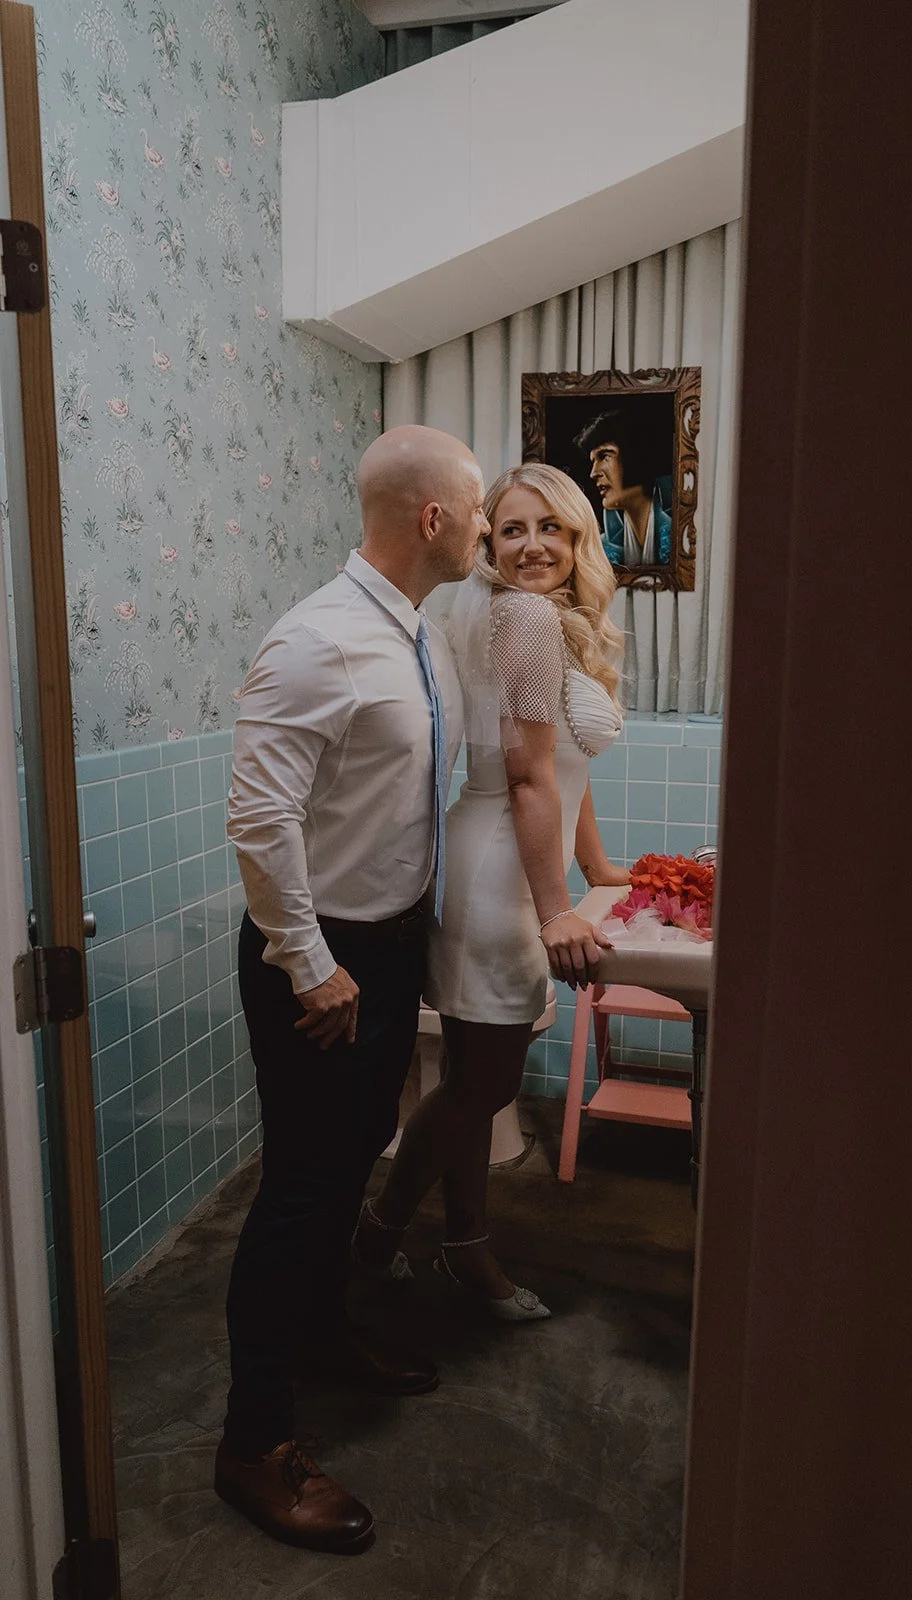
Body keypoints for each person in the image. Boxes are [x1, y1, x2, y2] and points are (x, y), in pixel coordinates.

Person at [215, 424, 489, 1555]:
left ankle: (323, 1331)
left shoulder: (414, 635)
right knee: (299, 1188)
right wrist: (309, 959)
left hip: (383, 948)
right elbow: (258, 813)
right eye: (477, 508)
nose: (483, 527)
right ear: (433, 517)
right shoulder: (317, 640)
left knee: (352, 1156)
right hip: (317, 961)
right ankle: (253, 1442)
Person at [352, 462, 630, 1318]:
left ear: (578, 538)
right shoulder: (523, 617)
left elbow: (560, 770)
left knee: (473, 1078)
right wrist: (555, 911)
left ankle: (464, 1247)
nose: (532, 546)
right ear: (487, 540)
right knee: (482, 1087)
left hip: (499, 857)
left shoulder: (506, 611)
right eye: (511, 529)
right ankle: (375, 1237)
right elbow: (526, 778)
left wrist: (598, 870)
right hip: (502, 871)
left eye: (551, 528)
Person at [574, 407, 673, 567]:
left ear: (636, 454)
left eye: (604, 456)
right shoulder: (601, 550)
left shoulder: (682, 536)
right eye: (593, 462)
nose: (594, 473)